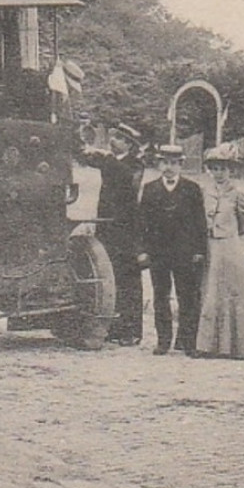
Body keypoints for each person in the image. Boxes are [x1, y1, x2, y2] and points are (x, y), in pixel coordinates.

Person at [75, 119, 144, 345]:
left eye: (118, 138)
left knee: (128, 279)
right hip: (108, 226)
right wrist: (81, 139)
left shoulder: (135, 164)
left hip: (126, 230)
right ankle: (115, 327)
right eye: (113, 137)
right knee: (112, 275)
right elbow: (83, 156)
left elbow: (127, 180)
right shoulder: (111, 161)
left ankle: (132, 331)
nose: (112, 140)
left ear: (129, 144)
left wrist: (106, 158)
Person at [137, 144, 209, 356]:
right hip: (158, 253)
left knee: (188, 296)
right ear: (159, 164)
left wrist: (199, 250)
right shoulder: (150, 189)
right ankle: (163, 341)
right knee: (161, 296)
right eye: (164, 163)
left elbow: (200, 223)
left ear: (180, 165)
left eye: (173, 163)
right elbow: (141, 223)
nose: (168, 167)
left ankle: (188, 342)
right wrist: (142, 250)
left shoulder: (192, 189)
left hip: (185, 252)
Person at [195, 144, 244, 360]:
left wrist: (229, 233)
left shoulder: (238, 194)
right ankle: (207, 345)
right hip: (210, 247)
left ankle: (239, 346)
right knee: (210, 291)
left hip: (230, 248)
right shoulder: (205, 192)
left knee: (233, 292)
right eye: (215, 168)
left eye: (223, 168)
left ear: (231, 170)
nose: (219, 173)